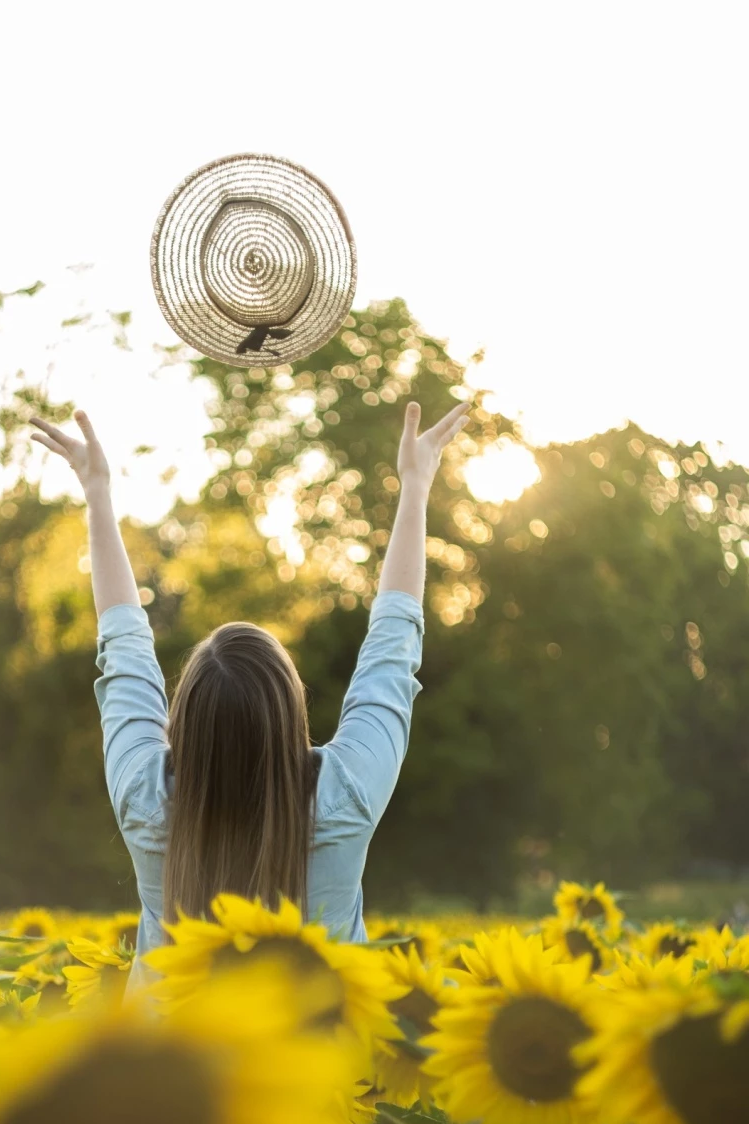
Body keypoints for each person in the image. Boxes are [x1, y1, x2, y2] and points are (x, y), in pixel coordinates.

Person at [30, 396, 471, 994]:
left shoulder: (146, 797)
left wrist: (97, 495)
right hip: (328, 1081)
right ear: (292, 712)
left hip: (173, 1077)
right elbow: (393, 646)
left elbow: (125, 649)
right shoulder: (346, 794)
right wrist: (415, 489)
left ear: (183, 721)